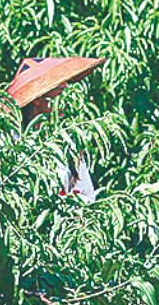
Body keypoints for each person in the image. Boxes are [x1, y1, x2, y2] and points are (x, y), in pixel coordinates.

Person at [8, 55, 103, 201]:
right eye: (59, 92)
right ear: (38, 100)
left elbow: (86, 194)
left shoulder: (68, 143)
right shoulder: (15, 144)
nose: (66, 99)